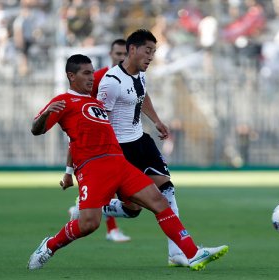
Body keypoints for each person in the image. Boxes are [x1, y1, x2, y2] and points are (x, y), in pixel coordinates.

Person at [27, 54, 228, 271]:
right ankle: (49, 245)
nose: (91, 78)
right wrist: (46, 114)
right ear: (71, 76)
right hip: (93, 168)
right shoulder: (63, 102)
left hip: (120, 164)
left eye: (92, 73)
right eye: (86, 73)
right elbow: (36, 130)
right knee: (88, 224)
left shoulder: (96, 101)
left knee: (159, 201)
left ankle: (192, 253)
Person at [66, 29, 189, 267]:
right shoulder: (109, 82)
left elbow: (142, 96)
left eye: (154, 51)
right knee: (133, 209)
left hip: (141, 142)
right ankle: (93, 208)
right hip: (120, 149)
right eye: (148, 50)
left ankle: (177, 252)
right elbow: (99, 119)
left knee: (167, 191)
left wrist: (157, 121)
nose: (152, 56)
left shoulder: (140, 74)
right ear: (130, 51)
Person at [66, 38, 130, 243]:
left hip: (125, 138)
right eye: (118, 54)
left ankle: (85, 208)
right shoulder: (99, 77)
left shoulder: (132, 78)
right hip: (100, 142)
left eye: (124, 54)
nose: (121, 58)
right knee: (108, 185)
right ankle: (111, 228)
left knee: (124, 192)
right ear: (111, 55)